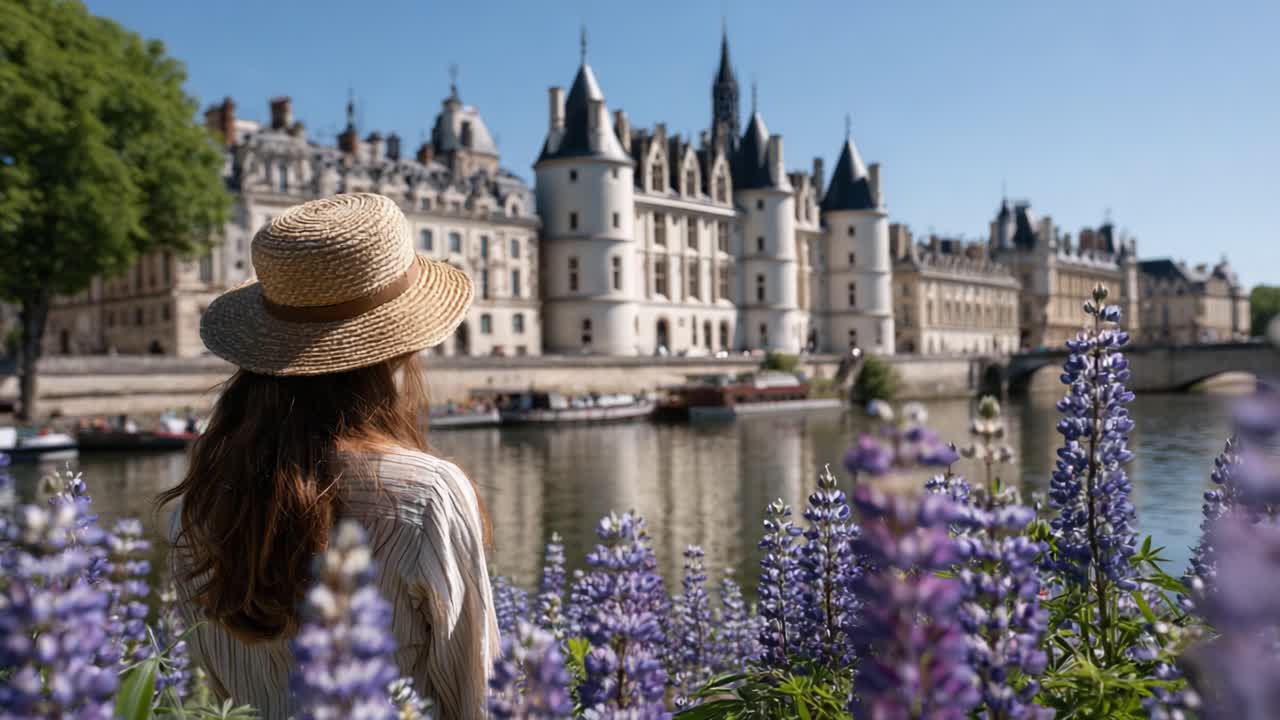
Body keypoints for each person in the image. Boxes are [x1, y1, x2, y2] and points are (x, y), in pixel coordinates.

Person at [158, 194, 495, 719]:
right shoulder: (428, 494)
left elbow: (215, 693)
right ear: (402, 345)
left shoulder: (197, 508)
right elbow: (477, 701)